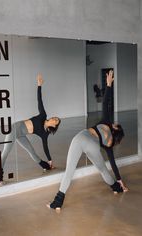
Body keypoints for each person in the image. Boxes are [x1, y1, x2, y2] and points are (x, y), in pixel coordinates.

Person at [47, 69, 128, 211]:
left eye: (116, 125)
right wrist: (119, 180)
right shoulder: (109, 145)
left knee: (69, 171)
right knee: (103, 170)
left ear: (115, 128)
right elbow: (113, 164)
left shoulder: (106, 121)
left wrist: (108, 85)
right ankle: (116, 188)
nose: (115, 123)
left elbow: (105, 104)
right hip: (93, 146)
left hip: (81, 137)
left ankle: (58, 202)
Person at [0, 74, 61, 185]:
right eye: (55, 118)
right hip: (15, 129)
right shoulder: (43, 115)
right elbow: (39, 100)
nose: (54, 119)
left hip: (22, 134)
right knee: (5, 153)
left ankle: (46, 166)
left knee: (32, 152)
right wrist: (39, 86)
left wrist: (50, 160)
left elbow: (45, 147)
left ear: (54, 126)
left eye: (56, 121)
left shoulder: (44, 133)